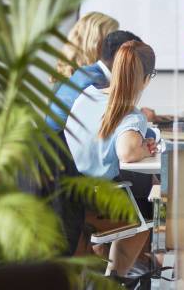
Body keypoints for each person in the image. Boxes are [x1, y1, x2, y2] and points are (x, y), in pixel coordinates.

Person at [65, 41, 157, 277]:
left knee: (141, 194)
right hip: (97, 199)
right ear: (147, 79)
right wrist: (147, 148)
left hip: (69, 192)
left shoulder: (88, 94)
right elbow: (127, 152)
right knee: (150, 206)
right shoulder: (131, 114)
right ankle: (114, 278)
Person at [46, 28, 141, 131]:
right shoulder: (97, 83)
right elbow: (112, 128)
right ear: (120, 56)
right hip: (60, 144)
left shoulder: (87, 71)